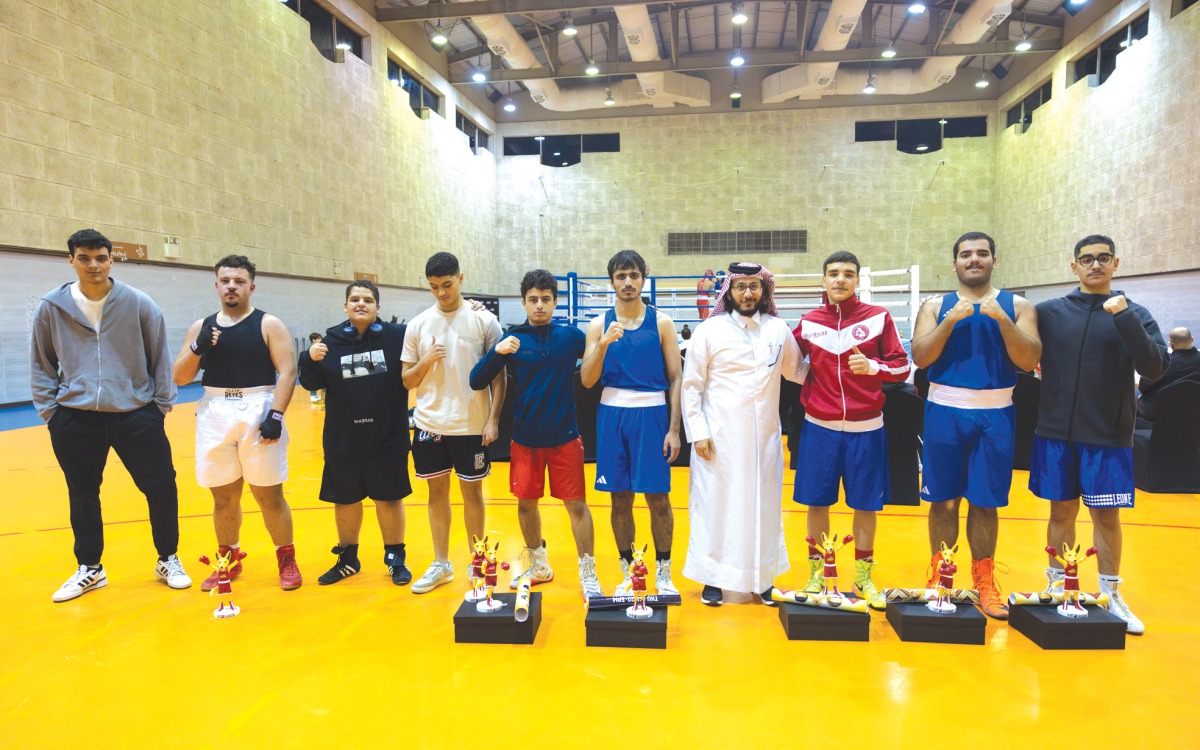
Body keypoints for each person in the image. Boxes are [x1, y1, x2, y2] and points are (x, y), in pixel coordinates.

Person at [32, 229, 191, 602]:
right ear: (70, 260)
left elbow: (160, 357)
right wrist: (50, 412)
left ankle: (168, 558)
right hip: (75, 417)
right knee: (83, 493)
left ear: (111, 260)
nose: (93, 265)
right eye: (84, 258)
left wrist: (160, 407)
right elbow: (41, 361)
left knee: (161, 486)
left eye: (101, 257)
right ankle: (90, 568)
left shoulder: (139, 303)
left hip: (137, 414)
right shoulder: (51, 307)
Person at [1031, 235, 1169, 634]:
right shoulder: (1048, 312)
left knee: (1106, 516)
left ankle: (1111, 595)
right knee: (1060, 512)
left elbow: (1156, 367)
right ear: (1073, 266)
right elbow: (1023, 354)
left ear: (1116, 263)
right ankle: (1058, 585)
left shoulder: (1135, 313)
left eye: (1103, 258)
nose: (1095, 265)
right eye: (1087, 259)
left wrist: (1123, 316)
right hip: (1056, 432)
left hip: (1108, 436)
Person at [910, 232, 1041, 619]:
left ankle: (984, 581)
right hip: (944, 410)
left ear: (994, 261)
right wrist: (950, 320)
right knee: (943, 500)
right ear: (954, 264)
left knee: (985, 503)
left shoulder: (1018, 305)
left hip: (995, 412)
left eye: (982, 253)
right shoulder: (935, 305)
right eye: (965, 254)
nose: (974, 259)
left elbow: (1028, 359)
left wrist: (1002, 320)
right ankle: (942, 577)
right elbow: (920, 356)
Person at [469, 269, 603, 600]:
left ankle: (588, 571)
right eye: (533, 300)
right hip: (525, 439)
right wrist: (497, 352)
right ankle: (539, 564)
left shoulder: (571, 336)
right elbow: (476, 380)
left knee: (577, 505)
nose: (539, 305)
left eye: (545, 299)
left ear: (555, 301)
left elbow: (595, 368)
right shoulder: (513, 339)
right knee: (526, 504)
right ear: (524, 302)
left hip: (565, 437)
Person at [172, 255, 302, 592]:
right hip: (215, 409)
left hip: (257, 407)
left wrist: (276, 414)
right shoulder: (201, 327)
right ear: (217, 286)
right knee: (223, 499)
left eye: (239, 281)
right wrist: (197, 348)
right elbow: (180, 377)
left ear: (251, 287)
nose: (232, 286)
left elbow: (288, 371)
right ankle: (228, 561)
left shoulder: (268, 324)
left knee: (269, 495)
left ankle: (286, 559)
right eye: (226, 280)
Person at [681, 262, 805, 607]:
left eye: (754, 286)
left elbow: (798, 372)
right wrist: (698, 433)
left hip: (764, 442)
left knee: (763, 508)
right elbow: (692, 386)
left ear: (764, 291)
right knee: (714, 508)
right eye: (740, 287)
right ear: (729, 292)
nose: (748, 293)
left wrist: (840, 368)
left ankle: (762, 579)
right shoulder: (709, 330)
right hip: (717, 440)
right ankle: (713, 579)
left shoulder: (779, 330)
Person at [792, 251, 911, 610]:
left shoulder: (878, 318)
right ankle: (818, 573)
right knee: (817, 502)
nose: (840, 279)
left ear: (858, 280)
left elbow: (902, 367)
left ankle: (863, 576)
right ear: (823, 281)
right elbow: (789, 367)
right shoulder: (809, 322)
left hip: (867, 429)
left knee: (865, 505)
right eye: (833, 273)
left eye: (847, 274)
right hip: (820, 429)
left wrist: (873, 367)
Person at [401, 252, 505, 593]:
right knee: (436, 493)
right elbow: (407, 381)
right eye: (433, 287)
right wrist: (426, 361)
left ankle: (478, 560)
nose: (441, 293)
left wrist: (493, 419)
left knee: (472, 492)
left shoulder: (484, 321)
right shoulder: (417, 325)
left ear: (461, 278)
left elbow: (499, 376)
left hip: (471, 424)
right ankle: (441, 563)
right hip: (430, 423)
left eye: (447, 285)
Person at [298, 280, 413, 586]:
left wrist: (472, 308)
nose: (361, 303)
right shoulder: (330, 343)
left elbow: (434, 330)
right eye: (354, 299)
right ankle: (348, 560)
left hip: (388, 439)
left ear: (378, 307)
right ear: (345, 307)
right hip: (343, 440)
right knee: (345, 500)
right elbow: (310, 384)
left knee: (389, 500)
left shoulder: (398, 337)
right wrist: (308, 358)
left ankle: (395, 559)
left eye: (367, 300)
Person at [581, 250, 683, 596]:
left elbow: (676, 377)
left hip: (652, 416)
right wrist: (604, 344)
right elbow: (587, 380)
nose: (627, 282)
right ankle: (630, 571)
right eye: (621, 276)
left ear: (643, 278)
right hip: (612, 415)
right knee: (619, 499)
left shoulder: (663, 322)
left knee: (658, 498)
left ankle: (664, 573)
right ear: (612, 281)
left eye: (633, 275)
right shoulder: (598, 324)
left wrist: (673, 429)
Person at [1137, 327, 1198, 420]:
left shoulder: (1163, 363)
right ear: (1192, 339)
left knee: (1132, 395)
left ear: (1171, 343)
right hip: (1194, 409)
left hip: (1157, 411)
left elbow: (1143, 387)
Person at [307, 332, 324, 403]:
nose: (320, 340)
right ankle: (313, 396)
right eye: (319, 338)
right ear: (314, 340)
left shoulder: (320, 347)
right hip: (313, 368)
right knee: (313, 381)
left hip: (319, 367)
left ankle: (320, 396)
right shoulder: (312, 348)